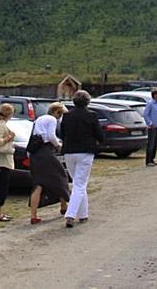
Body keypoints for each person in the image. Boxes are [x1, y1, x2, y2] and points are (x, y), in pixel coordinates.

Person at [58, 90, 103, 228]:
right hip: (85, 152)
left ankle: (83, 214)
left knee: (78, 183)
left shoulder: (66, 116)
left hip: (69, 152)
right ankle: (70, 215)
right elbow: (99, 135)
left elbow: (62, 133)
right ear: (88, 102)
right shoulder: (92, 116)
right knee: (79, 184)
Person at [28, 102, 70, 224]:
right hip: (46, 152)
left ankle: (33, 215)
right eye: (60, 115)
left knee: (39, 183)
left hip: (35, 154)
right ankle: (64, 206)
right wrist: (58, 146)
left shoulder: (39, 119)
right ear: (57, 112)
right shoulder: (52, 119)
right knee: (61, 177)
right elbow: (51, 136)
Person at [142, 89, 157, 166]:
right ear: (154, 95)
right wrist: (150, 123)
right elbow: (145, 114)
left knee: (155, 144)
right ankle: (148, 161)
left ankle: (152, 159)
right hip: (152, 127)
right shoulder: (150, 103)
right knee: (151, 144)